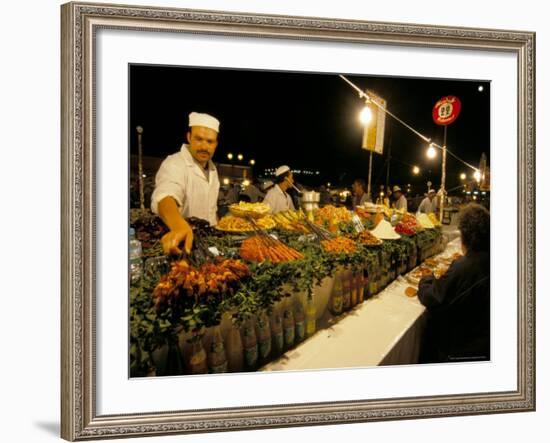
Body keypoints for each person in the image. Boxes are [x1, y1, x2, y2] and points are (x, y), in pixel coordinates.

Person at [417, 203, 490, 363]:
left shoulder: (465, 266)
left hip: (462, 348)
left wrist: (426, 279)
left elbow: (432, 297)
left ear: (466, 236)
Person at [151, 112, 221, 255]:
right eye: (199, 139)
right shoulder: (175, 163)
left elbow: (211, 210)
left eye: (210, 141)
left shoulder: (213, 169)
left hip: (210, 244)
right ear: (189, 137)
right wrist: (178, 226)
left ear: (216, 144)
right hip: (183, 246)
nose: (204, 146)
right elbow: (166, 196)